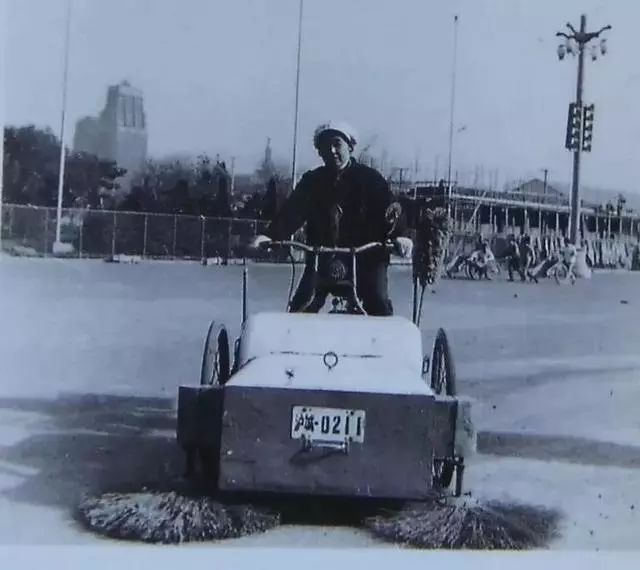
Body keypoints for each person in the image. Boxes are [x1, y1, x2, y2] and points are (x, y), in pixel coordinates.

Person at [251, 121, 413, 316]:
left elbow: (391, 210)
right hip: (322, 258)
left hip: (366, 260)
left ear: (351, 147)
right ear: (319, 152)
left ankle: (384, 344)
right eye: (325, 146)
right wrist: (270, 235)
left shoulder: (371, 179)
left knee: (378, 302)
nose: (332, 150)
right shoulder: (312, 181)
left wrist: (400, 235)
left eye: (337, 144)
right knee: (301, 306)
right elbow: (292, 211)